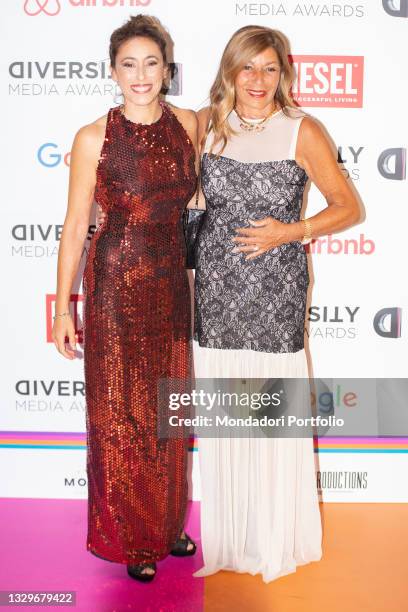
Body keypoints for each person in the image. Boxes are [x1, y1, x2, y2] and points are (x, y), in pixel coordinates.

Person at [192, 25, 360, 583]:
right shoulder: (204, 123)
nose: (257, 80)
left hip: (275, 291)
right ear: (229, 72)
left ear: (282, 73)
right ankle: (233, 535)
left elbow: (347, 207)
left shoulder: (302, 130)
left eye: (268, 68)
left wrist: (292, 231)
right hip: (215, 292)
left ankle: (275, 536)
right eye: (247, 68)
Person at [52, 15, 198, 582]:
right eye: (128, 65)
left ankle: (165, 526)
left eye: (151, 63)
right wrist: (64, 308)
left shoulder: (188, 123)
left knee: (168, 412)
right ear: (113, 70)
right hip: (115, 289)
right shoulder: (95, 136)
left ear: (167, 67)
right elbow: (73, 227)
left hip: (170, 287)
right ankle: (133, 537)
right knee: (122, 417)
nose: (141, 75)